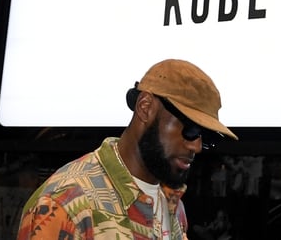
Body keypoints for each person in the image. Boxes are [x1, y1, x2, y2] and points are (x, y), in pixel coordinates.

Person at [16, 58, 238, 239]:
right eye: (190, 130)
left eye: (206, 137)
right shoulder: (67, 204)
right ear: (145, 108)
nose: (197, 146)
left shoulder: (173, 205)